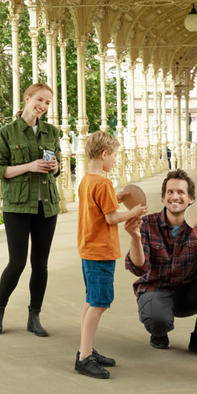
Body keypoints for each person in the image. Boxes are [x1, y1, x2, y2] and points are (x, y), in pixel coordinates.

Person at [123, 169, 197, 360]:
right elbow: (138, 269)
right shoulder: (146, 224)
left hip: (190, 291)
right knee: (158, 321)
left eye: (181, 192)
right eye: (170, 192)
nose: (175, 196)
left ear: (191, 198)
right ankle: (159, 331)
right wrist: (135, 239)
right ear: (163, 198)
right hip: (156, 289)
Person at [0, 82, 61, 337]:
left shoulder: (52, 132)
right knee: (17, 263)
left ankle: (34, 316)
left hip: (47, 206)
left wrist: (55, 168)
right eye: (39, 100)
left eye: (48, 103)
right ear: (27, 99)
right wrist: (29, 166)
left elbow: (59, 165)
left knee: (40, 264)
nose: (43, 106)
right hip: (18, 206)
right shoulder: (7, 133)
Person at [75, 132, 146, 379]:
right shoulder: (103, 183)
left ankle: (86, 348)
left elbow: (98, 207)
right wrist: (134, 211)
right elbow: (110, 217)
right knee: (100, 302)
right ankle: (84, 357)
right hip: (101, 252)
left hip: (88, 249)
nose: (115, 160)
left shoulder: (87, 180)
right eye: (114, 155)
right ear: (104, 154)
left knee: (91, 299)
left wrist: (116, 198)